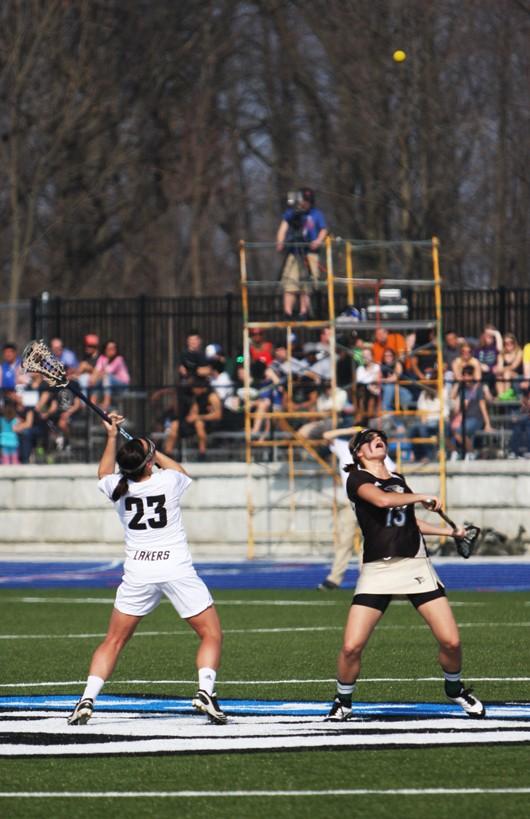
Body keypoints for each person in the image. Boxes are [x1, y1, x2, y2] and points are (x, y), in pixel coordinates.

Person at [67, 413, 226, 726]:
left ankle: (87, 698)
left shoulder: (117, 487)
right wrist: (152, 448)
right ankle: (205, 691)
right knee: (211, 634)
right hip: (175, 568)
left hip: (139, 572)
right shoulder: (168, 481)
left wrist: (113, 437)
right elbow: (178, 469)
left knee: (113, 641)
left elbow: (103, 472)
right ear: (150, 461)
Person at [326, 427, 485, 721]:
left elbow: (411, 523)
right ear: (359, 452)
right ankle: (343, 700)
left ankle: (455, 689)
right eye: (370, 439)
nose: (378, 440)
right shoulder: (357, 479)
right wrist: (420, 496)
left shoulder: (399, 481)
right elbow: (383, 501)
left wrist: (451, 531)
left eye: (381, 437)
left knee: (451, 641)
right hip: (377, 570)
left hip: (414, 565)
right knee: (351, 647)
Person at [317, 426, 396, 591]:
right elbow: (326, 434)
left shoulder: (374, 452)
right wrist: (352, 430)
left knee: (369, 542)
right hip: (351, 501)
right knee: (344, 541)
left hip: (370, 502)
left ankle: (366, 578)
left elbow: (392, 471)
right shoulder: (345, 447)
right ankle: (334, 579)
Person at [276, 187, 327, 320]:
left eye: (307, 201)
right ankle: (287, 312)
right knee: (290, 282)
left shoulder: (316, 214)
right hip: (293, 252)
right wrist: (280, 241)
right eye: (303, 200)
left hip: (310, 253)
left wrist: (318, 241)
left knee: (307, 284)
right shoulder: (291, 213)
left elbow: (323, 230)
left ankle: (304, 312)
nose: (305, 203)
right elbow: (283, 227)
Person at [449, 365, 493, 460]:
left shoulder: (479, 388)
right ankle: (455, 452)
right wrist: (457, 384)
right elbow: (452, 399)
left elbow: (483, 406)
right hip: (463, 419)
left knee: (459, 432)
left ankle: (471, 452)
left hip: (476, 418)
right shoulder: (462, 390)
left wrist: (487, 424)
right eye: (464, 375)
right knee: (447, 432)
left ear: (473, 376)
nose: (467, 377)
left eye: (469, 375)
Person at [91, 339, 131, 411]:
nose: (113, 350)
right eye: (110, 348)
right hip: (108, 385)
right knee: (94, 379)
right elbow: (96, 370)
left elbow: (107, 372)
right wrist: (93, 378)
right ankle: (92, 401)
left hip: (122, 385)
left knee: (106, 377)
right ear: (105, 350)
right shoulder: (102, 358)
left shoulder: (119, 359)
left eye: (114, 348)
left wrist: (96, 377)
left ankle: (106, 402)